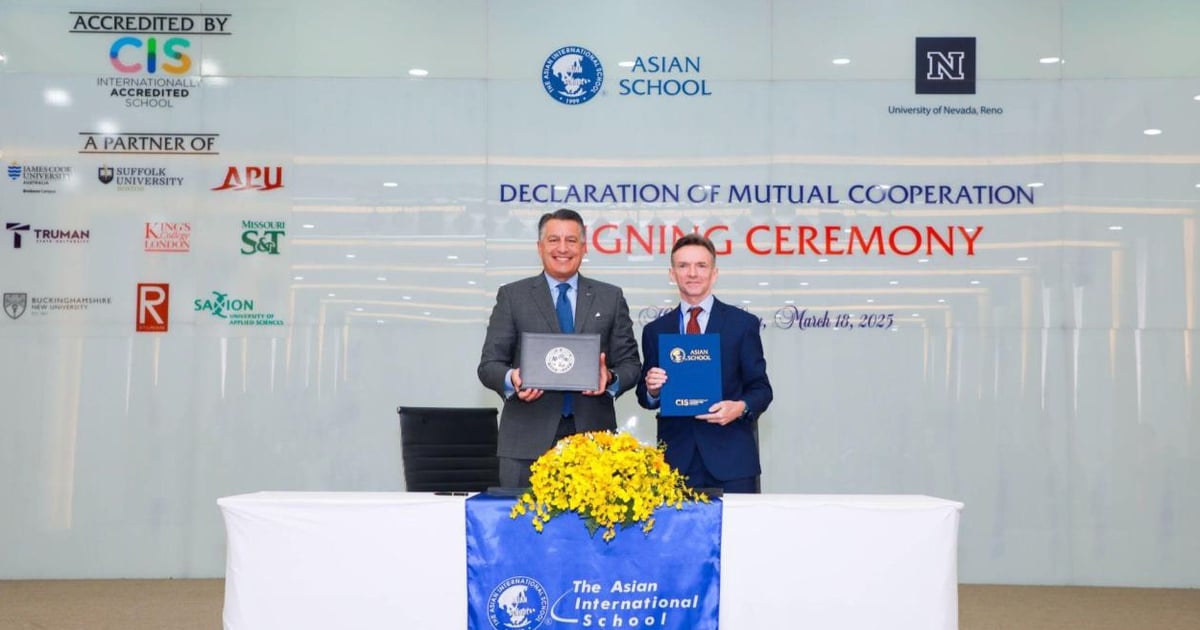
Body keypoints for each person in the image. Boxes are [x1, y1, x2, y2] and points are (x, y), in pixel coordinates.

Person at [478, 208, 641, 488]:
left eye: (571, 240)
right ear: (540, 247)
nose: (562, 248)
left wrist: (610, 379)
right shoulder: (512, 296)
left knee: (590, 530)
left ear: (584, 247)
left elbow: (631, 365)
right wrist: (512, 379)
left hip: (594, 442)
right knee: (520, 529)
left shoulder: (610, 297)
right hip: (525, 442)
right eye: (554, 240)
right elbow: (489, 365)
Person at [636, 233, 773, 493]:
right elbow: (645, 396)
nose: (692, 273)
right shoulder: (655, 330)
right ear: (672, 274)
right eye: (683, 266)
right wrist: (653, 390)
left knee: (738, 535)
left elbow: (762, 390)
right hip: (675, 463)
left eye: (701, 265)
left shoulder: (742, 325)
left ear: (714, 273)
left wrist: (740, 407)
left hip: (732, 462)